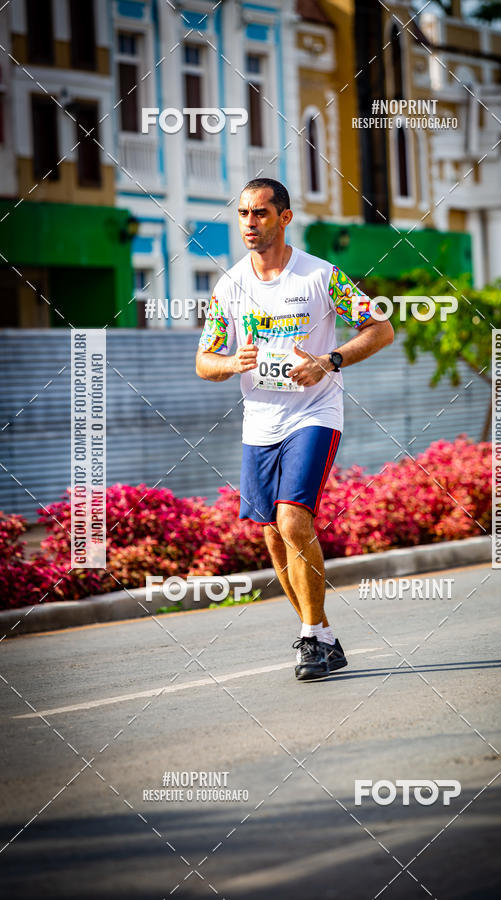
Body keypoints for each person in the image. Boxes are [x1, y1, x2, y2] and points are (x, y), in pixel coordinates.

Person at [195, 178, 393, 681]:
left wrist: (329, 360)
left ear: (284, 218)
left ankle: (308, 639)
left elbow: (380, 328)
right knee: (273, 536)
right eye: (242, 214)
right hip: (259, 423)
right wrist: (230, 363)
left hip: (314, 415)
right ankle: (322, 634)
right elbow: (203, 361)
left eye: (260, 214)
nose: (249, 224)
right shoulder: (230, 285)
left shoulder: (320, 277)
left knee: (292, 520)